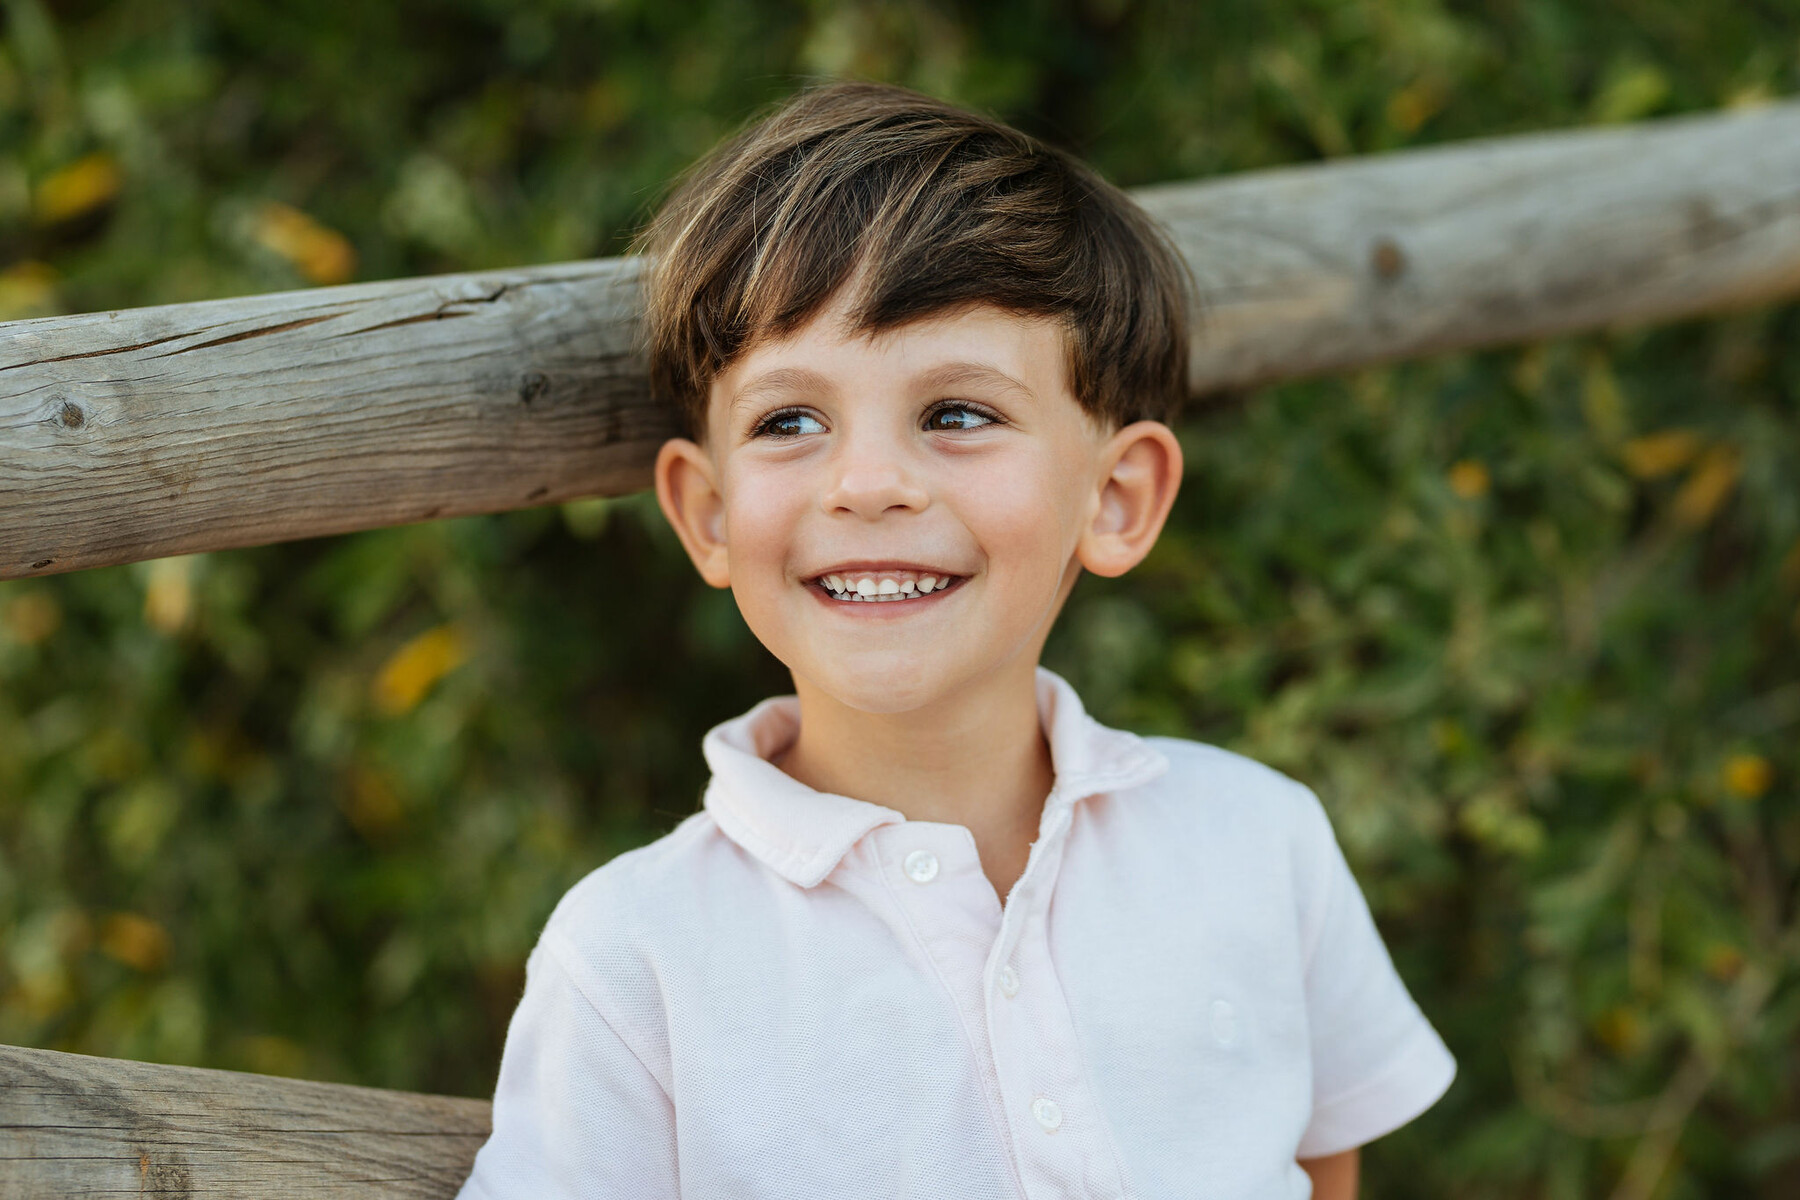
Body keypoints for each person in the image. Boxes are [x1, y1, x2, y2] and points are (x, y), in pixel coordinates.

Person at [457, 80, 1454, 1200]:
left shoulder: (1259, 843)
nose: (869, 483)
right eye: (791, 422)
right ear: (709, 515)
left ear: (1117, 498)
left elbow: (1325, 1169)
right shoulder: (634, 961)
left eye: (957, 414)